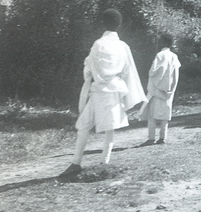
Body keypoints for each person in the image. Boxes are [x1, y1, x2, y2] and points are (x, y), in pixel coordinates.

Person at [58, 9, 146, 180]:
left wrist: (90, 76)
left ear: (102, 23)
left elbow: (89, 68)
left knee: (84, 125)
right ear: (119, 25)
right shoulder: (123, 47)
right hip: (114, 89)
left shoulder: (98, 44)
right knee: (108, 128)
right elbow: (127, 71)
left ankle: (81, 162)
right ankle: (101, 162)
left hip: (98, 90)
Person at [138, 32, 181, 146]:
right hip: (168, 89)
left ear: (163, 42)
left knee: (152, 114)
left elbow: (153, 71)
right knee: (165, 115)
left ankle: (151, 137)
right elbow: (176, 74)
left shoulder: (159, 55)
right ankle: (163, 137)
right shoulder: (174, 56)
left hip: (156, 89)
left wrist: (154, 82)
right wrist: (171, 88)